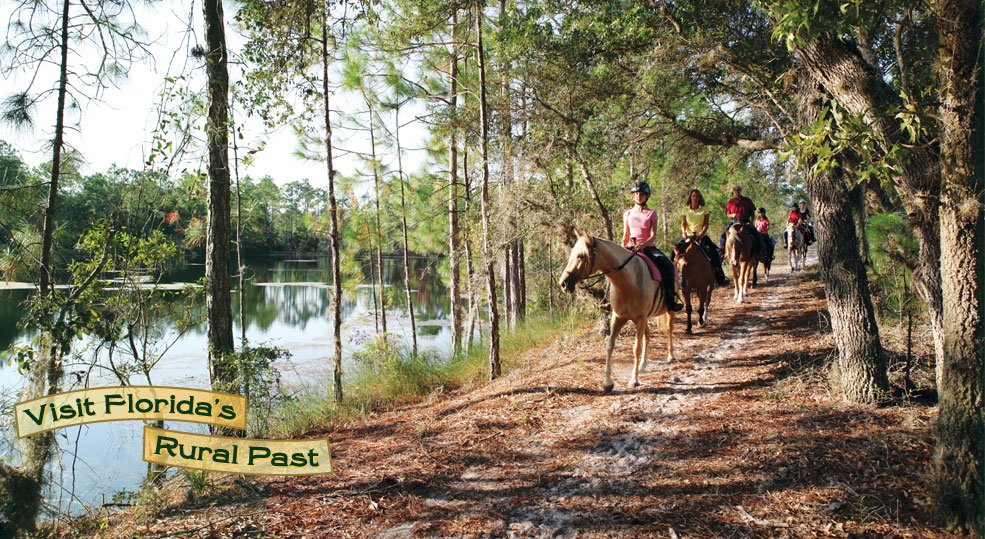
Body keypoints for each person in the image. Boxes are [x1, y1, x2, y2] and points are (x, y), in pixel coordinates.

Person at [622, 181, 684, 312]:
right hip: (630, 248)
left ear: (647, 197)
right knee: (614, 266)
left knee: (669, 267)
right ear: (633, 196)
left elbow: (653, 236)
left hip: (648, 248)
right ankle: (609, 300)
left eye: (642, 194)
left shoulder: (652, 214)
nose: (639, 196)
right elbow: (625, 235)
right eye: (637, 194)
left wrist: (642, 245)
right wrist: (622, 249)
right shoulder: (627, 214)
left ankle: (670, 300)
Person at [676, 188, 728, 286]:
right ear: (690, 197)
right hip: (688, 236)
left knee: (713, 252)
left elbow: (705, 224)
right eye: (693, 196)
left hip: (700, 236)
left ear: (699, 198)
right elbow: (683, 223)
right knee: (674, 254)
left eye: (697, 196)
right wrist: (684, 233)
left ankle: (719, 276)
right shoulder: (685, 209)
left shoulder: (704, 209)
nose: (695, 198)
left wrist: (702, 233)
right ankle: (674, 277)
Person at [719, 184, 766, 258]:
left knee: (757, 234)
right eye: (735, 190)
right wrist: (732, 215)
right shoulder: (730, 202)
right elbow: (728, 214)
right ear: (733, 191)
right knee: (723, 235)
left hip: (745, 221)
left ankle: (760, 252)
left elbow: (752, 212)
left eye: (738, 190)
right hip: (734, 221)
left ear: (740, 191)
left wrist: (751, 222)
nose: (737, 191)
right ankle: (721, 252)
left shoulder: (747, 200)